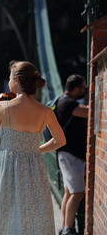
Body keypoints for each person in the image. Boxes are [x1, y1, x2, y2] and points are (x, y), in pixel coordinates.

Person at [0, 61, 66, 235]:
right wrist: (35, 150)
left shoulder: (3, 107)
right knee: (34, 213)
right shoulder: (46, 111)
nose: (9, 81)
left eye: (10, 77)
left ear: (16, 80)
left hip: (7, 167)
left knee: (5, 214)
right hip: (34, 168)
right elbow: (60, 140)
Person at [54, 74, 88, 235]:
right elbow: (88, 112)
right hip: (70, 156)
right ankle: (68, 228)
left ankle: (64, 227)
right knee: (77, 192)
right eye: (83, 88)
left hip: (69, 155)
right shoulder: (66, 103)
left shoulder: (63, 101)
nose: (85, 91)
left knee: (69, 192)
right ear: (75, 89)